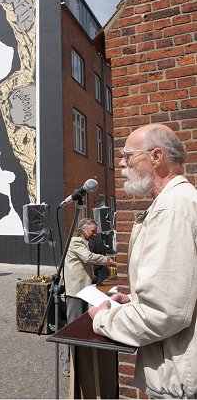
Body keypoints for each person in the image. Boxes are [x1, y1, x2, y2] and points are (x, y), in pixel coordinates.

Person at [87, 124, 197, 397]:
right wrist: (136, 301)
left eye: (128, 155)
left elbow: (165, 313)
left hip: (179, 379)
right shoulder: (179, 201)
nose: (122, 164)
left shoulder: (171, 209)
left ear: (156, 157)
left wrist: (102, 318)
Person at [63, 219, 116, 324]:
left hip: (83, 286)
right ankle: (71, 340)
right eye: (92, 231)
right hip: (76, 287)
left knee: (82, 318)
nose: (95, 234)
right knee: (74, 322)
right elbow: (88, 257)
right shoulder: (76, 241)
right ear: (83, 229)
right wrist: (107, 260)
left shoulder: (84, 242)